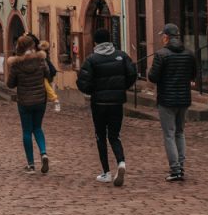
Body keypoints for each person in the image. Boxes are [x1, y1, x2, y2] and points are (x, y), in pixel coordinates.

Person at [76, 28, 139, 186]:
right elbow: (132, 74)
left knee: (100, 136)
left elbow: (83, 82)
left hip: (99, 104)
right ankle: (121, 162)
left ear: (96, 42)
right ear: (109, 40)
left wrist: (93, 91)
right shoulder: (121, 56)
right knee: (114, 135)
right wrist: (121, 87)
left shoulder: (91, 60)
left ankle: (106, 172)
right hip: (117, 102)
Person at [148, 23, 196, 181]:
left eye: (163, 36)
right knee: (180, 133)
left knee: (169, 134)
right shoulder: (189, 53)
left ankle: (175, 169)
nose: (162, 38)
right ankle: (180, 166)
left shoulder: (161, 54)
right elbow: (193, 74)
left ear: (167, 37)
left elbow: (153, 77)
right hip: (183, 99)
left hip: (167, 100)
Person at [6, 35, 51, 174]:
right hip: (40, 100)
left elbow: (10, 84)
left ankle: (31, 165)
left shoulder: (17, 64)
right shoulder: (40, 60)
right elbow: (48, 74)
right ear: (32, 46)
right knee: (37, 127)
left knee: (27, 131)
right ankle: (43, 153)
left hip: (24, 101)